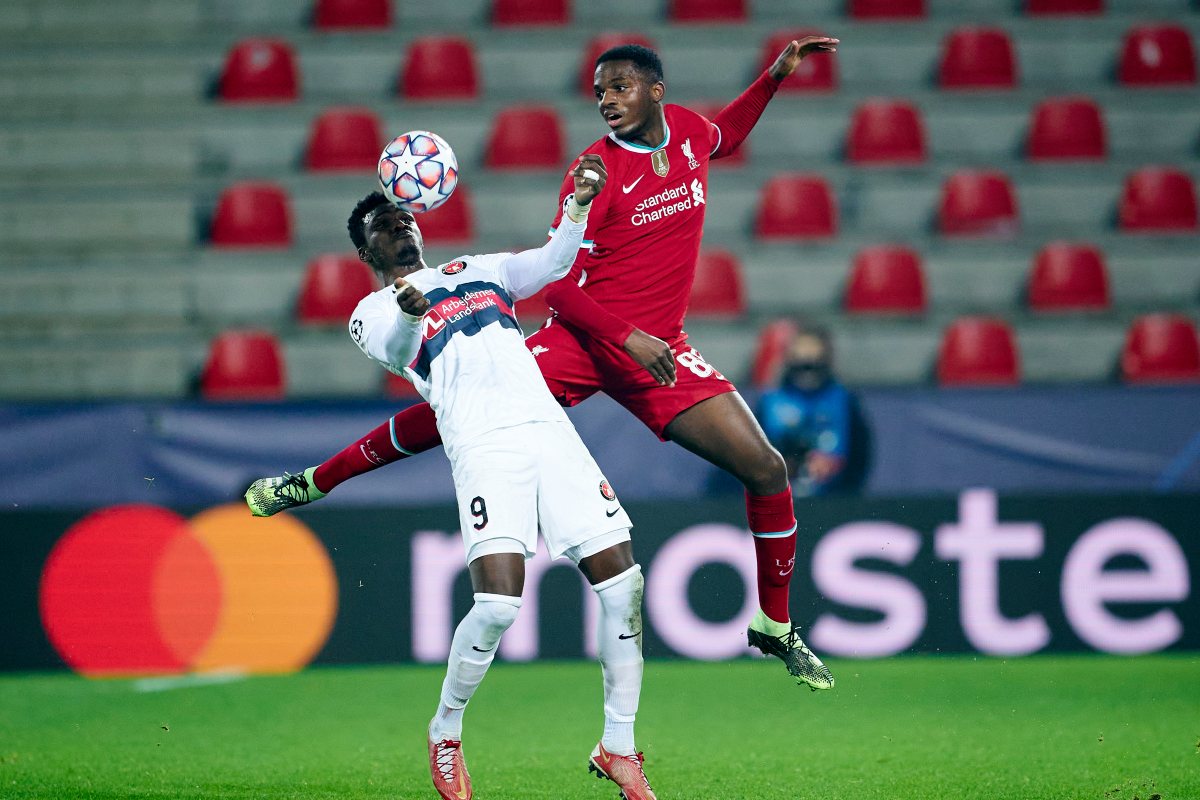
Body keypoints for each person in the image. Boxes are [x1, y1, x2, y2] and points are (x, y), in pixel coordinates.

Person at [246, 39, 838, 692]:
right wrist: (628, 338)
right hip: (584, 344)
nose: (607, 102)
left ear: (656, 91)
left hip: (658, 346)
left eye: (619, 88)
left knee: (766, 467)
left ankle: (774, 626)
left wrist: (775, 77)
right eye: (599, 93)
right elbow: (557, 286)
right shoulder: (595, 170)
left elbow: (725, 133)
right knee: (460, 406)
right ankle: (315, 481)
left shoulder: (694, 136)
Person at [261, 159, 657, 800]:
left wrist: (580, 205)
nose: (400, 227)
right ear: (367, 249)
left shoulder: (477, 269)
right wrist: (414, 314)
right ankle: (445, 730)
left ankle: (618, 746)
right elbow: (397, 353)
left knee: (624, 588)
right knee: (499, 605)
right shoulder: (371, 311)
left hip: (550, 433)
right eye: (385, 225)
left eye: (404, 216)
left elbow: (554, 263)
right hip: (483, 447)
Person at [757, 324, 869, 496]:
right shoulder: (770, 402)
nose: (807, 371)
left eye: (813, 362)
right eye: (800, 361)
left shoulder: (844, 400)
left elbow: (859, 454)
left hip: (834, 497)